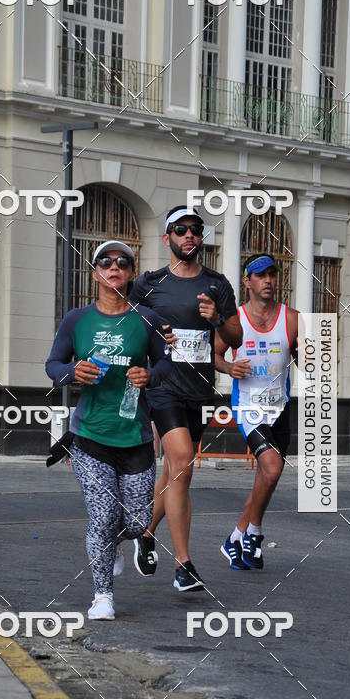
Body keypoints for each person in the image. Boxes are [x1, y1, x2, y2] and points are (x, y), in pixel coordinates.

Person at [45, 241, 171, 620]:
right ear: (95, 273)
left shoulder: (146, 318)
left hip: (135, 436)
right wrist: (72, 373)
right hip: (90, 436)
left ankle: (117, 542)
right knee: (102, 517)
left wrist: (150, 375)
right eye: (105, 262)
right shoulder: (77, 319)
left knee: (134, 522)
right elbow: (53, 364)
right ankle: (102, 596)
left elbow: (167, 365)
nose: (114, 267)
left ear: (131, 273)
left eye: (122, 262)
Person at [128, 206, 242, 591]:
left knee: (174, 472)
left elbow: (237, 337)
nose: (189, 235)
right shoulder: (148, 283)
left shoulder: (217, 284)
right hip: (162, 387)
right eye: (181, 229)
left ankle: (145, 532)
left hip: (198, 391)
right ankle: (183, 565)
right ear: (167, 238)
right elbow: (126, 323)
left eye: (195, 229)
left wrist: (217, 320)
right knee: (182, 464)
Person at [214, 253, 298, 570]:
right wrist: (229, 367)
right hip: (248, 405)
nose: (268, 281)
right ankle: (255, 533)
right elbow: (215, 356)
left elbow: (310, 361)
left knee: (266, 477)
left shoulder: (292, 318)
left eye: (272, 275)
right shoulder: (234, 320)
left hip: (280, 407)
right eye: (260, 275)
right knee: (273, 468)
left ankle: (235, 538)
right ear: (247, 281)